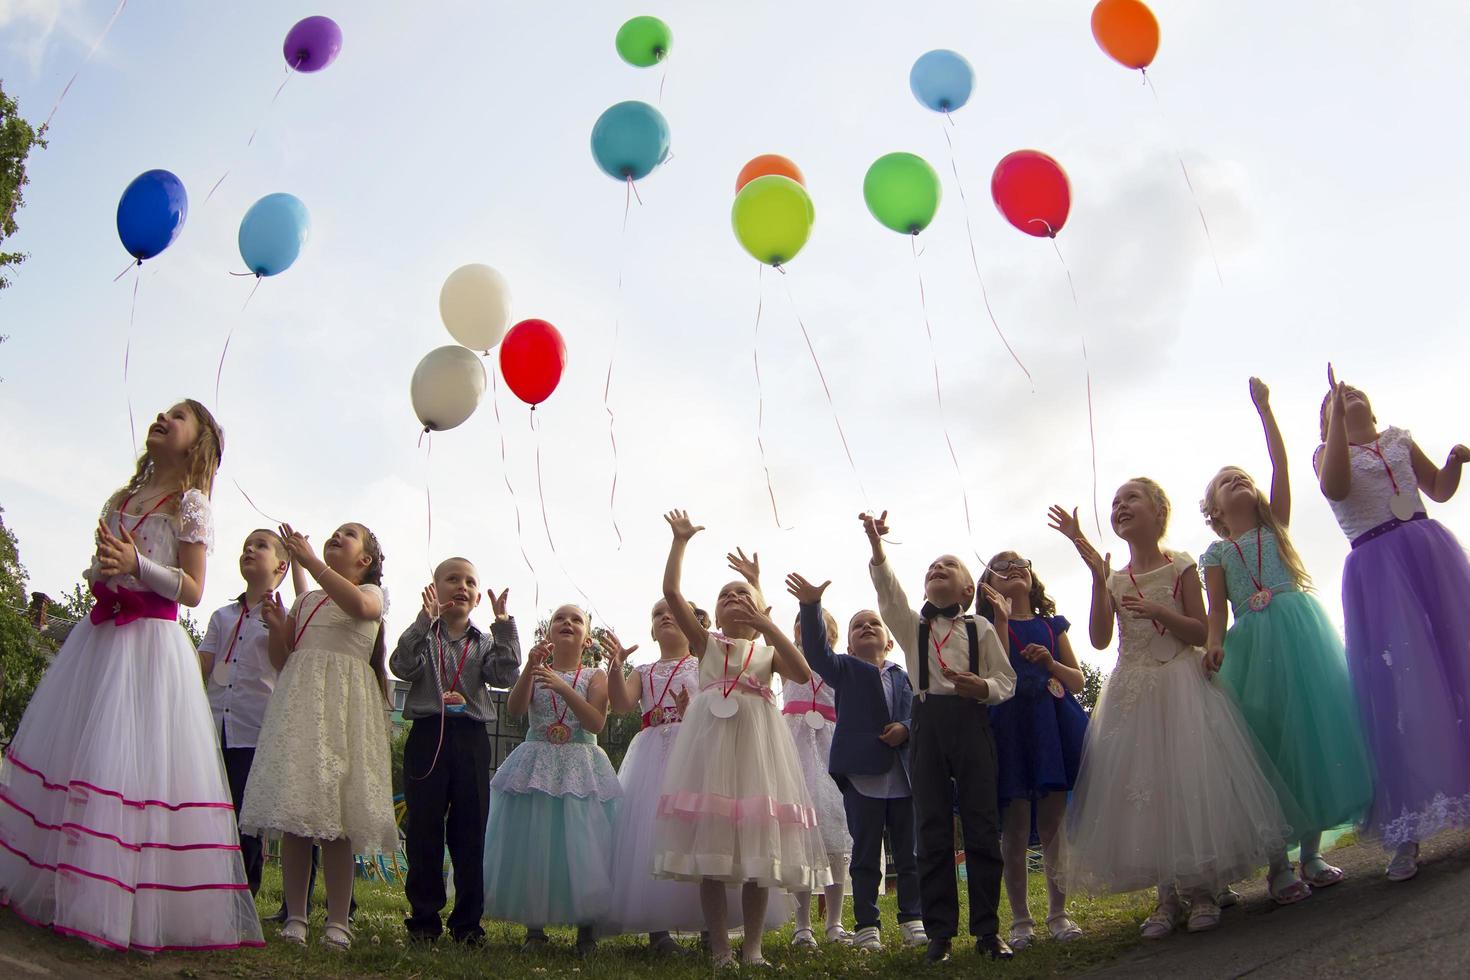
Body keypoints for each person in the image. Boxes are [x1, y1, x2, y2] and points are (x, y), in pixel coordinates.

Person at [0, 401, 262, 952]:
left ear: (198, 443)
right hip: (99, 639)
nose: (163, 418)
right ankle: (58, 884)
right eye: (162, 412)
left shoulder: (191, 505)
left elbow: (191, 589)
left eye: (179, 417)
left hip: (149, 645)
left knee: (131, 764)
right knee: (80, 755)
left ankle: (121, 902)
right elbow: (102, 566)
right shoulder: (124, 498)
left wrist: (136, 566)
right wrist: (103, 569)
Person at [1051, 480, 1295, 939]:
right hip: (1134, 691)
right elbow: (1101, 639)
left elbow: (1200, 631)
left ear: (1159, 511)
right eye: (1115, 502)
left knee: (1189, 782)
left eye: (1131, 499)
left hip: (1182, 684)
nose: (1120, 506)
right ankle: (1167, 898)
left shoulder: (1179, 564)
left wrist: (1157, 612)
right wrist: (1095, 579)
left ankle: (1203, 890)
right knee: (1151, 790)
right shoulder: (1115, 576)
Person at [652, 511, 832, 968]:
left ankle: (752, 948)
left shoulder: (767, 651)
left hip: (758, 750)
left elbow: (802, 673)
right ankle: (719, 948)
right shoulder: (707, 644)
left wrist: (766, 614)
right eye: (725, 595)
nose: (733, 598)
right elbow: (672, 594)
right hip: (711, 750)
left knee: (759, 846)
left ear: (758, 610)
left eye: (742, 595)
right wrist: (679, 543)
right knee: (712, 850)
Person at [1314, 366, 1470, 879]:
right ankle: (1408, 827)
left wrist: (1453, 463)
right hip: (1378, 571)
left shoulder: (1399, 439)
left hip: (1429, 552)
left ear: (1374, 406)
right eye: (1333, 400)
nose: (1346, 393)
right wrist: (1335, 420)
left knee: (1455, 664)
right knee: (1399, 687)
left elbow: (1439, 490)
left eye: (1354, 390)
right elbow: (1336, 487)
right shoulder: (1327, 455)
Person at [860, 509, 1017, 964]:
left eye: (948, 565)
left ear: (968, 589)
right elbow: (889, 595)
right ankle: (939, 932)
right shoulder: (914, 628)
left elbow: (1005, 680)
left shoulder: (980, 628)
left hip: (970, 722)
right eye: (931, 567)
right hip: (927, 725)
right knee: (930, 829)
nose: (936, 569)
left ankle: (988, 930)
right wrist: (877, 547)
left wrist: (982, 687)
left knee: (982, 824)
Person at [239, 522, 398, 950]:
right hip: (303, 710)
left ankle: (338, 921)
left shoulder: (372, 595)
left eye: (346, 535)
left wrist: (309, 561)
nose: (334, 537)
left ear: (364, 560)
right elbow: (282, 659)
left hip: (344, 711)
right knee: (297, 815)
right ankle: (295, 917)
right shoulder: (306, 600)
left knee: (337, 824)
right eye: (334, 532)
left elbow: (360, 609)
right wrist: (276, 626)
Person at [786, 571, 927, 954]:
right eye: (857, 625)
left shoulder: (906, 675)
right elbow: (815, 653)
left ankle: (912, 919)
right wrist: (811, 606)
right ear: (847, 642)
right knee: (864, 854)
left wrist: (906, 728)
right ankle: (867, 924)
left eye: (873, 623)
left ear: (890, 640)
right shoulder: (844, 670)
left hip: (904, 776)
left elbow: (923, 711)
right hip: (862, 777)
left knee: (909, 851)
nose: (866, 627)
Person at [390, 558, 520, 944]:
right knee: (424, 828)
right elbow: (401, 666)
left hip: (470, 738)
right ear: (434, 589)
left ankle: (467, 924)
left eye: (469, 582)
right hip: (429, 733)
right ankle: (424, 920)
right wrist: (421, 621)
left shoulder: (484, 641)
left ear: (478, 597)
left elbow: (506, 675)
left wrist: (504, 625)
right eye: (451, 579)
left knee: (469, 832)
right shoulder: (424, 635)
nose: (461, 586)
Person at [482, 604, 621, 957]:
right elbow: (514, 710)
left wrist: (562, 686)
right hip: (538, 762)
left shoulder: (595, 676)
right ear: (548, 632)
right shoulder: (537, 669)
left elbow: (595, 723)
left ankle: (586, 927)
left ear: (587, 638)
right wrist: (531, 667)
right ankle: (534, 926)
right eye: (560, 617)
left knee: (585, 843)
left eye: (576, 619)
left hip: (581, 765)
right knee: (536, 841)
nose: (567, 623)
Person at [976, 550, 1088, 950]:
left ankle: (1059, 912)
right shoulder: (984, 627)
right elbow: (997, 671)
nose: (1013, 569)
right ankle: (1021, 919)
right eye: (1001, 567)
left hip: (1051, 724)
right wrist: (1002, 620)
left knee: (1054, 821)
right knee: (1016, 826)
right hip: (1010, 727)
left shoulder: (1051, 625)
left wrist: (1050, 664)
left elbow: (1075, 681)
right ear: (988, 584)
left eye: (1019, 562)